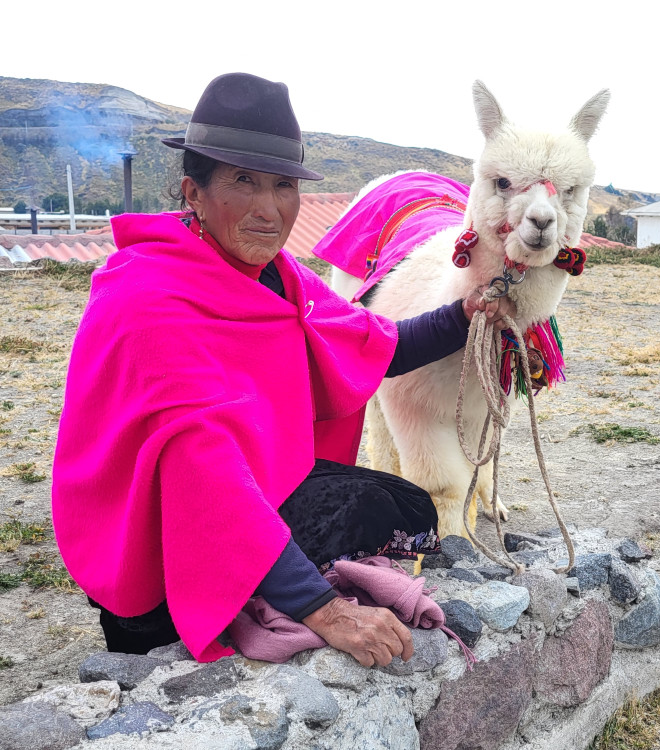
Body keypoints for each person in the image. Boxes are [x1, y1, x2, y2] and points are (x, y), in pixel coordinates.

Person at [50, 73, 513, 667]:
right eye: (244, 182)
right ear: (193, 192)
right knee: (364, 529)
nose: (270, 210)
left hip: (243, 488)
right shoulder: (145, 301)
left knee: (404, 510)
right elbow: (203, 470)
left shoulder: (276, 278)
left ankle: (260, 579)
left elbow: (373, 344)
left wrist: (466, 314)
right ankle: (230, 603)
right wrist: (321, 607)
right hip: (152, 548)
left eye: (283, 185)